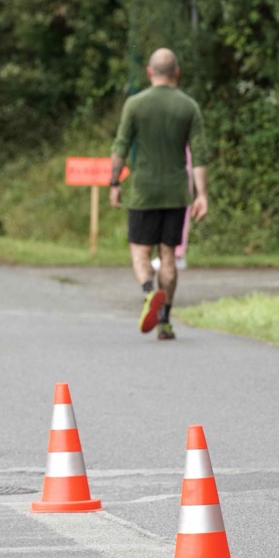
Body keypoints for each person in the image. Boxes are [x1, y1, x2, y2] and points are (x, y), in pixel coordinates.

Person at [109, 47, 209, 340]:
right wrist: (201, 194)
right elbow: (199, 155)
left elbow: (120, 146)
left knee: (140, 251)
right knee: (168, 255)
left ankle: (148, 291)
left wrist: (114, 183)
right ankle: (164, 321)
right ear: (177, 72)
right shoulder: (189, 107)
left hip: (143, 191)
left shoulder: (135, 104)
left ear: (149, 72)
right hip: (176, 193)